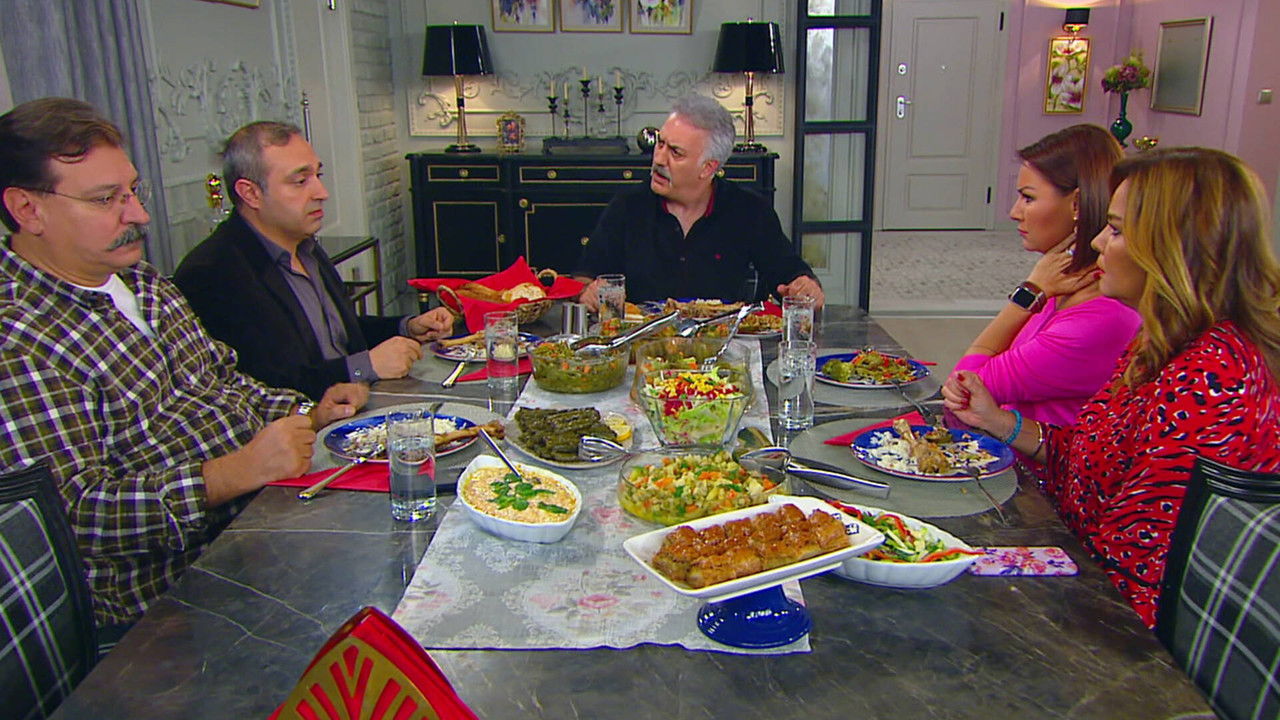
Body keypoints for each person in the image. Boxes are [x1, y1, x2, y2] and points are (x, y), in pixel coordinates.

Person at [0, 98, 368, 629]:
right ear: (27, 208)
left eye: (133, 192)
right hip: (172, 602)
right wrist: (232, 474)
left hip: (262, 522)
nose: (138, 215)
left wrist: (310, 412)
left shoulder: (142, 282)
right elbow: (74, 515)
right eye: (106, 199)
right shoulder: (19, 337)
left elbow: (220, 380)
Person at [943, 147, 1280, 628]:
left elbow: (1133, 573)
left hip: (1116, 627)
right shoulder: (1161, 341)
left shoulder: (1208, 378)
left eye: (1117, 230)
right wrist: (1000, 422)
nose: (1099, 241)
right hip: (1084, 571)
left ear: (1169, 247)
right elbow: (1092, 458)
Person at [173, 121, 456, 400]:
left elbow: (337, 336)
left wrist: (407, 327)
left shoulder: (306, 248)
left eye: (318, 175)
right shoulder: (213, 272)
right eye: (300, 181)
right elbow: (261, 386)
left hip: (362, 403)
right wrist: (364, 367)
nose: (322, 193)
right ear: (251, 193)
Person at [951, 125, 1140, 427]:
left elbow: (963, 390)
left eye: (1028, 198)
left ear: (1076, 204)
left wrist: (1028, 294)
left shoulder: (1099, 316)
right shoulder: (1064, 281)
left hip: (1032, 455)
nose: (1014, 212)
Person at [574, 94, 823, 309]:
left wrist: (806, 287)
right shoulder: (627, 206)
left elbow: (791, 275)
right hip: (643, 344)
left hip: (723, 344)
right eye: (661, 144)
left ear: (708, 168)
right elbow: (584, 278)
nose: (659, 159)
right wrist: (588, 292)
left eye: (676, 152)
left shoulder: (749, 210)